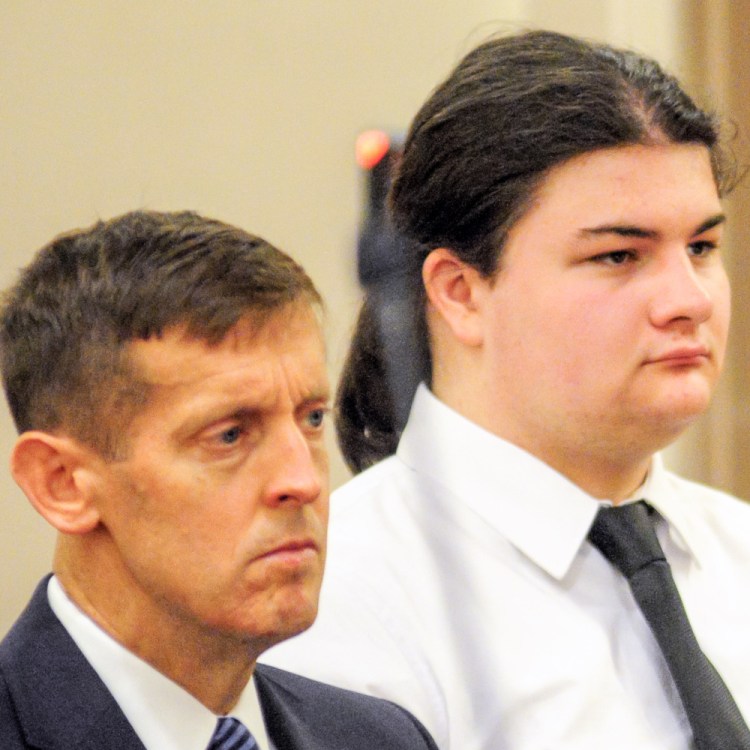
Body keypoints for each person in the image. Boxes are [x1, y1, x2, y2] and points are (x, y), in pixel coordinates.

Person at [263, 29, 750, 749]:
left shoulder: (737, 548)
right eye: (618, 255)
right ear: (460, 292)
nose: (690, 299)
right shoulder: (329, 600)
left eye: (702, 248)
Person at [0, 211, 439, 750]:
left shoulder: (381, 738)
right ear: (62, 484)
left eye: (312, 419)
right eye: (229, 435)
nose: (302, 480)